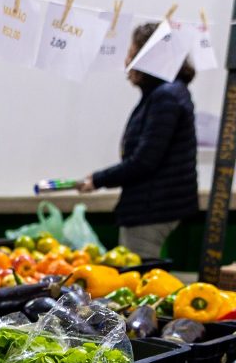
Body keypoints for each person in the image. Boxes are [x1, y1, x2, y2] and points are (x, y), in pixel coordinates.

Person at [77, 23, 198, 259]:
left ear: (149, 59)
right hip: (157, 204)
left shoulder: (165, 97)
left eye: (132, 55)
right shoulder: (165, 94)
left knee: (140, 275)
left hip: (152, 209)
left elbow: (145, 160)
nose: (126, 63)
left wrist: (98, 179)